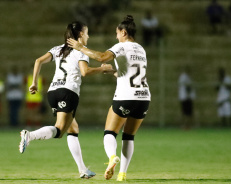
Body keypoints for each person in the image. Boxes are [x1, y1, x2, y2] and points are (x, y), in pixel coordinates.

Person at [19, 21, 114, 179]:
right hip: (68, 92)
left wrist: (34, 83)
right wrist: (102, 69)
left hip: (53, 92)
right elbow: (85, 72)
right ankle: (29, 136)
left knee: (73, 129)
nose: (89, 36)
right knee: (59, 131)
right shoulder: (81, 51)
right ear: (81, 35)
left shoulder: (57, 49)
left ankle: (83, 169)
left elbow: (38, 61)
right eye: (87, 32)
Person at [67, 15, 151, 181]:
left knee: (110, 132)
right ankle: (122, 174)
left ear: (124, 32)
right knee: (129, 136)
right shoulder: (141, 49)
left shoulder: (121, 47)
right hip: (144, 98)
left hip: (126, 96)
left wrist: (80, 47)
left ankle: (112, 158)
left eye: (117, 33)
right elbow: (130, 74)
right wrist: (112, 72)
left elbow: (101, 57)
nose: (116, 37)